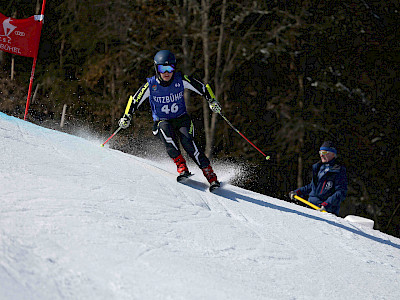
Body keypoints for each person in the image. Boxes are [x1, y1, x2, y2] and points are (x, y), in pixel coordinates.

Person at [118, 50, 222, 190]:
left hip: (181, 119)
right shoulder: (151, 85)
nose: (166, 72)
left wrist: (212, 101)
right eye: (162, 68)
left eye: (170, 68)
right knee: (166, 133)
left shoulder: (181, 80)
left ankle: (210, 175)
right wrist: (127, 116)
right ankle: (182, 166)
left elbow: (202, 88)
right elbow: (135, 99)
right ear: (157, 69)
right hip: (162, 120)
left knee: (188, 142)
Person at [289, 141, 347, 215]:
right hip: (311, 207)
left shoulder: (338, 171)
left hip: (325, 211)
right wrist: (298, 192)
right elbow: (312, 186)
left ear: (333, 154)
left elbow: (340, 192)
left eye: (324, 153)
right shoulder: (319, 168)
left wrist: (326, 204)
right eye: (320, 153)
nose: (321, 155)